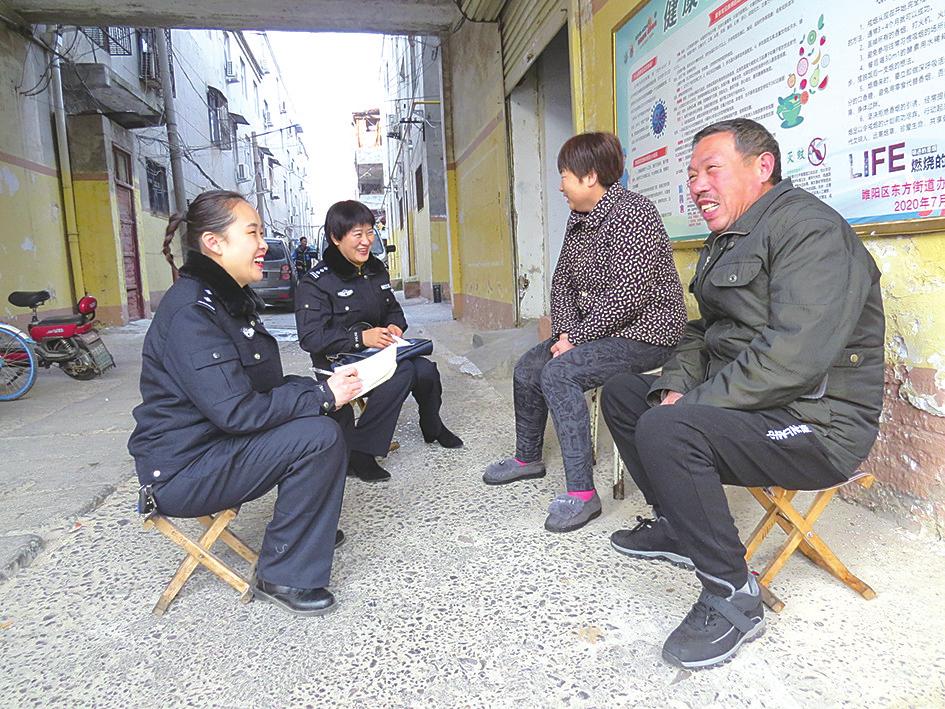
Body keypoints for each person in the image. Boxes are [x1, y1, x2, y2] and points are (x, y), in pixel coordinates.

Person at [601, 118, 885, 669]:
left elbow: (792, 358)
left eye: (712, 169)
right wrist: (674, 387)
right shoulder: (728, 239)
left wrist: (692, 405)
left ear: (762, 167)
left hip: (817, 423)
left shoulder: (811, 231)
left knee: (669, 427)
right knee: (626, 395)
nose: (698, 186)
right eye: (692, 175)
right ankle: (679, 527)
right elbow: (704, 334)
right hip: (761, 407)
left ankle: (733, 596)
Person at [128, 190, 363, 617]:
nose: (263, 245)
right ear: (214, 243)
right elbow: (237, 411)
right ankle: (283, 574)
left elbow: (260, 387)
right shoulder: (192, 312)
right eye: (252, 233)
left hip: (216, 443)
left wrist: (328, 389)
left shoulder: (226, 300)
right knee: (318, 435)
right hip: (185, 470)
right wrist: (320, 396)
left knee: (332, 411)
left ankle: (309, 529)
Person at [482, 132, 687, 533]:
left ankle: (582, 493)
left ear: (590, 176)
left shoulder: (634, 213)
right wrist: (564, 335)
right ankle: (528, 458)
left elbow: (628, 295)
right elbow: (562, 282)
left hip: (646, 333)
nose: (560, 185)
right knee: (528, 367)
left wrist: (577, 340)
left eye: (564, 175)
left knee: (560, 374)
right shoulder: (579, 218)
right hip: (595, 331)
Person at [295, 199, 462, 483]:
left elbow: (393, 310)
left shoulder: (375, 270)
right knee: (404, 370)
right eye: (357, 234)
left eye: (370, 232)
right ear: (336, 238)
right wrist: (360, 338)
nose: (366, 241)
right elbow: (311, 338)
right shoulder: (316, 282)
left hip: (378, 355)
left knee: (425, 369)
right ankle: (362, 451)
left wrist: (395, 326)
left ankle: (432, 424)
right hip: (339, 365)